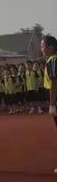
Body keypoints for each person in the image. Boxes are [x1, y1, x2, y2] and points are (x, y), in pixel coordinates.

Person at [41, 35, 57, 173]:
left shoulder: (52, 61)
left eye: (43, 46)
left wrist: (52, 104)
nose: (42, 49)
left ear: (50, 47)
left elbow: (54, 83)